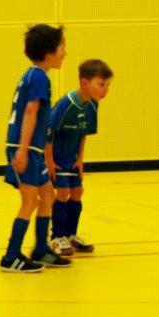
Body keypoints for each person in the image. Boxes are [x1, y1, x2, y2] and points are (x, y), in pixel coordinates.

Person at [0, 24, 71, 272]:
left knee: (48, 194)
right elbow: (30, 111)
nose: (65, 53)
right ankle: (10, 256)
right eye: (62, 48)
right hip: (26, 147)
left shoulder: (34, 75)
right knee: (29, 201)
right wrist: (22, 150)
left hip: (33, 149)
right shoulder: (39, 77)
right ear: (49, 54)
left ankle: (40, 249)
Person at [48, 59, 113, 256]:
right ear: (85, 83)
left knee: (77, 192)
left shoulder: (92, 105)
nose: (105, 89)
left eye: (108, 85)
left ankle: (70, 235)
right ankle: (56, 238)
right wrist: (48, 161)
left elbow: (84, 132)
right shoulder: (66, 104)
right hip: (56, 157)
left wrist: (80, 159)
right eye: (101, 84)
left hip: (72, 157)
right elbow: (47, 131)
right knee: (63, 192)